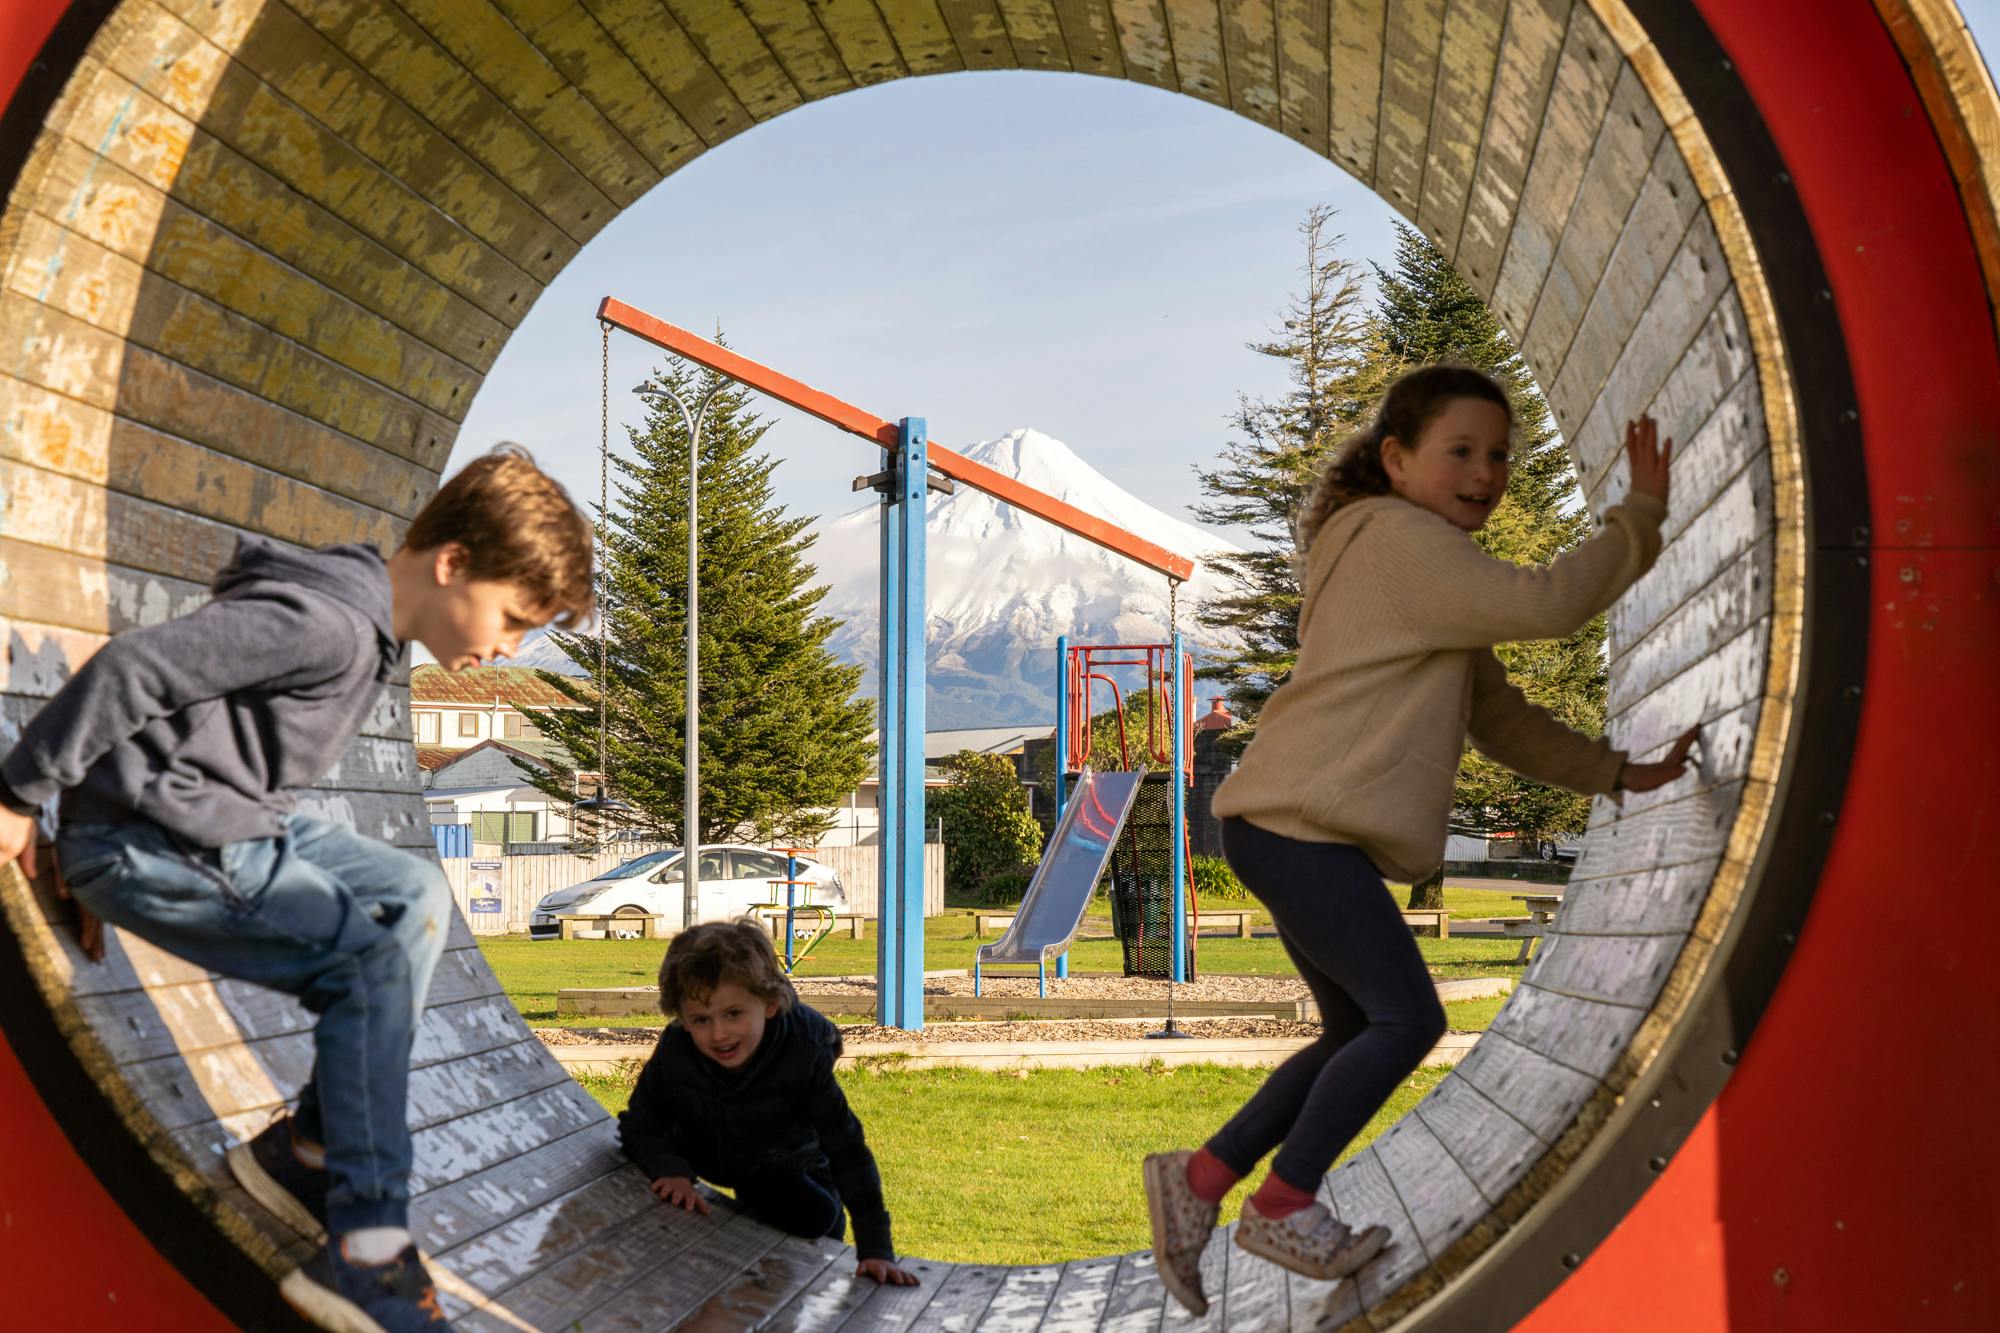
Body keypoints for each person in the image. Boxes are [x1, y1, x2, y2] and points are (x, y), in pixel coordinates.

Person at [1141, 366, 1700, 1312]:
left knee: (1358, 1027)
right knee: (1410, 1020)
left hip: (1286, 828)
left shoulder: (1414, 560)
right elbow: (1551, 603)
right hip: (1299, 829)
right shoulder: (1402, 542)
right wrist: (1640, 513)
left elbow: (1497, 717)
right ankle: (1283, 1202)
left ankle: (1199, 1182)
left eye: (1499, 456)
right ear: (1396, 460)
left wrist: (1612, 770)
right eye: (1461, 452)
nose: (1486, 472)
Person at [0, 446, 594, 1332]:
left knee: (414, 895)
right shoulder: (325, 622)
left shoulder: (366, 618)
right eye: (511, 618)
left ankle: (308, 1151)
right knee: (364, 962)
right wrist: (22, 797)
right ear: (453, 562)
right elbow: (136, 669)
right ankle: (367, 1246)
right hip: (154, 840)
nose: (506, 646)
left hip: (210, 821)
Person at [617, 922, 919, 1289]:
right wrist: (670, 1170)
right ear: (681, 1018)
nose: (719, 1034)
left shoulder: (802, 1051)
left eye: (733, 1014)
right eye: (700, 1019)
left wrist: (875, 1248)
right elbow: (640, 1123)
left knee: (820, 1217)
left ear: (770, 1004)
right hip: (708, 1145)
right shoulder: (677, 1051)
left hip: (788, 1157)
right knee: (645, 1152)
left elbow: (847, 1149)